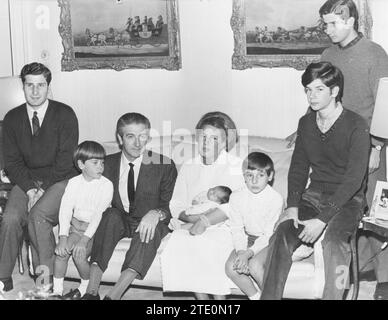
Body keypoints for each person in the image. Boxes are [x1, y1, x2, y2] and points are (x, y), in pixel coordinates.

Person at [285, 0, 388, 299]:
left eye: (332, 23)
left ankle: (369, 282)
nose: (327, 30)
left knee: (367, 218)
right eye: (325, 24)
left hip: (368, 144)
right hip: (336, 140)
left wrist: (377, 147)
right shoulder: (328, 54)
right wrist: (304, 127)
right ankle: (342, 280)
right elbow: (319, 94)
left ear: (351, 20)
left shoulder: (374, 53)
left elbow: (384, 103)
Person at [259, 62, 370, 300]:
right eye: (308, 89)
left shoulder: (357, 125)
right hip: (315, 194)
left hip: (349, 199)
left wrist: (322, 219)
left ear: (335, 91)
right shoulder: (306, 123)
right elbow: (299, 168)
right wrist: (292, 206)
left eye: (319, 89)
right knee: (282, 233)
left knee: (334, 241)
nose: (312, 95)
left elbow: (354, 180)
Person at [80, 113, 177, 300]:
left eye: (143, 136)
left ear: (148, 137)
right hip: (120, 219)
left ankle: (113, 296)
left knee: (148, 229)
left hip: (151, 222)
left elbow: (171, 205)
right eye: (130, 136)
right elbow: (84, 188)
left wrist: (156, 213)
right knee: (109, 216)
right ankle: (91, 293)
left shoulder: (164, 165)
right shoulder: (106, 164)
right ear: (119, 138)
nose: (138, 143)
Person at [0, 62, 79, 292]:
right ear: (23, 86)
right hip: (26, 180)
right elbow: (12, 163)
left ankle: (46, 282)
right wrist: (30, 189)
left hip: (59, 179)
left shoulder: (65, 114)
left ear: (48, 86)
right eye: (29, 85)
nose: (35, 91)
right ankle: (3, 276)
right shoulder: (12, 118)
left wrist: (42, 189)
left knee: (37, 216)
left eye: (40, 85)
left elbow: (66, 161)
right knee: (11, 217)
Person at [160, 111, 246, 300]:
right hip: (190, 223)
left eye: (214, 138)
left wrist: (206, 219)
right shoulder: (190, 166)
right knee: (183, 241)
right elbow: (176, 203)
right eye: (203, 137)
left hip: (224, 226)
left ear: (224, 143)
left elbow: (237, 205)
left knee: (208, 244)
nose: (206, 143)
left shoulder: (236, 166)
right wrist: (188, 217)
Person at [52, 141, 113, 299]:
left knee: (79, 255)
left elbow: (98, 215)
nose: (100, 166)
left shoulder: (106, 185)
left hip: (94, 231)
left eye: (102, 162)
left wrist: (84, 240)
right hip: (75, 229)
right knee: (61, 254)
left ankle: (86, 287)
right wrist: (63, 237)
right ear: (81, 164)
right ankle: (57, 292)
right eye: (95, 162)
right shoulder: (73, 183)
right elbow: (65, 210)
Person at [224, 152, 283, 300]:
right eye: (250, 175)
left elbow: (269, 234)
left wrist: (248, 254)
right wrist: (241, 252)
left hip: (271, 239)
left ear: (270, 176)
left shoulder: (276, 199)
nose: (254, 181)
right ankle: (256, 297)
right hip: (248, 237)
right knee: (231, 267)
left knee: (255, 266)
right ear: (244, 176)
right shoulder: (236, 196)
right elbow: (237, 228)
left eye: (260, 175)